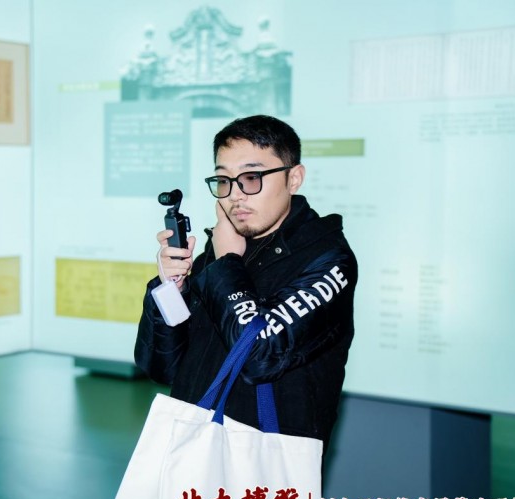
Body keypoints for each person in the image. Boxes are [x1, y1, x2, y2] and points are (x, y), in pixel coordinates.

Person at [134, 115, 357, 455]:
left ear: (294, 178)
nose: (236, 195)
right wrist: (171, 288)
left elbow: (257, 356)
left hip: (264, 461)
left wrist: (227, 263)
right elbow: (161, 367)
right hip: (195, 449)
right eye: (224, 180)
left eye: (251, 178)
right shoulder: (221, 251)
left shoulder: (328, 259)